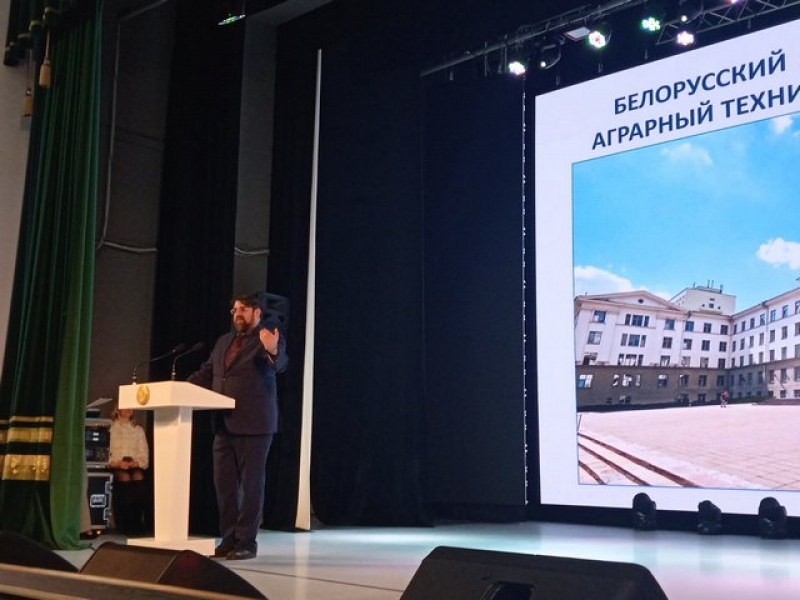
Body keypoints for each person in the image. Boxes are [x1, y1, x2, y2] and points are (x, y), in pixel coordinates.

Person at [188, 292, 288, 560]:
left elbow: (279, 365)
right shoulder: (223, 341)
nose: (237, 314)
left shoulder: (267, 336)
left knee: (252, 485)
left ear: (257, 312)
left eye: (243, 309)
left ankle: (247, 542)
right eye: (234, 310)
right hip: (223, 423)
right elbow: (208, 372)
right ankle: (229, 538)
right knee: (225, 486)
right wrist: (179, 388)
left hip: (255, 423)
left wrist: (272, 350)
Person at [107, 406, 150, 535]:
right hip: (116, 464)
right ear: (117, 409)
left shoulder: (138, 430)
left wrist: (136, 462)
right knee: (124, 477)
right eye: (125, 407)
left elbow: (144, 455)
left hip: (133, 464)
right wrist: (117, 463)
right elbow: (105, 452)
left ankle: (136, 522)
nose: (128, 410)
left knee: (138, 476)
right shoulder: (110, 428)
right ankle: (125, 523)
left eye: (130, 408)